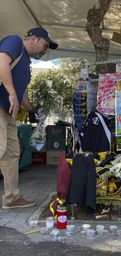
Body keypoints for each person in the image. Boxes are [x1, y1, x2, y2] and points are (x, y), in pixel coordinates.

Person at [0, 27, 58, 209]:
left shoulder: (26, 63)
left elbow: (22, 92)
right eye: (45, 45)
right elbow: (1, 61)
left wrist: (33, 110)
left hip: (8, 112)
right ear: (33, 39)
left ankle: (12, 198)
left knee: (12, 153)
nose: (45, 50)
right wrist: (11, 93)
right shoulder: (14, 42)